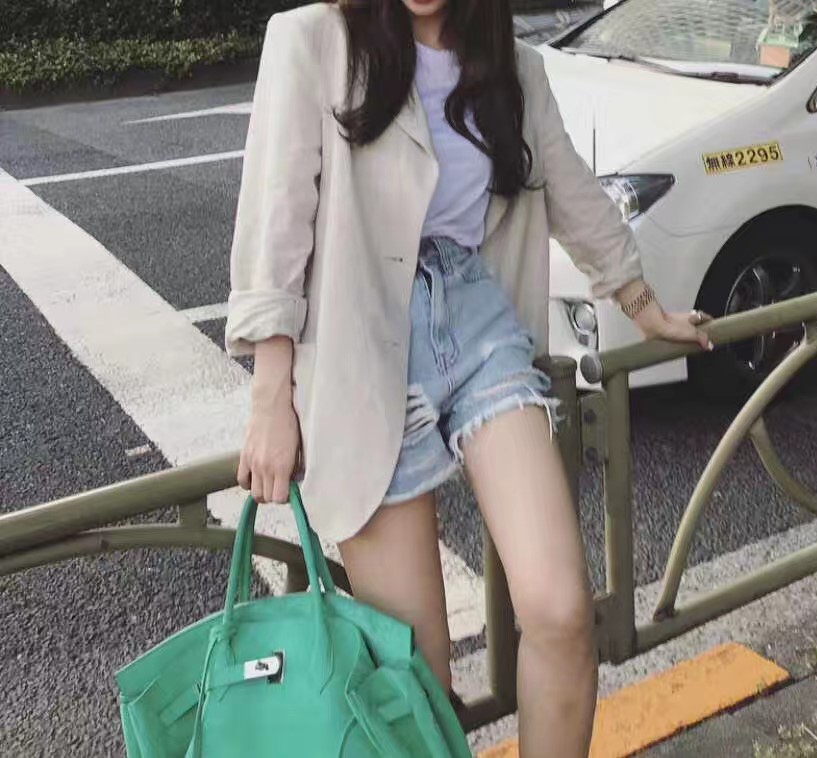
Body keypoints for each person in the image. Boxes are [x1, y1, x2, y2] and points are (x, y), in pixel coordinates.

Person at [225, 1, 711, 754]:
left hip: (478, 322)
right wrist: (270, 397)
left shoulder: (514, 67)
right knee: (419, 677)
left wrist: (644, 306)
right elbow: (277, 217)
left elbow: (571, 192)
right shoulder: (314, 39)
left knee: (560, 612)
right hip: (363, 346)